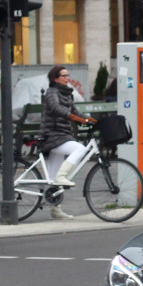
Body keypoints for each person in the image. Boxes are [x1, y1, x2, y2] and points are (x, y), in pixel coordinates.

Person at [39, 65, 96, 221]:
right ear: (55, 78)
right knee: (80, 149)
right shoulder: (51, 92)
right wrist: (74, 118)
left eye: (68, 75)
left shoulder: (66, 94)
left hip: (61, 135)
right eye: (63, 75)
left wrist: (87, 119)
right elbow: (56, 108)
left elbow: (75, 111)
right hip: (51, 135)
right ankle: (62, 176)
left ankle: (55, 210)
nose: (67, 78)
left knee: (52, 177)